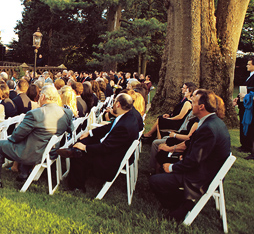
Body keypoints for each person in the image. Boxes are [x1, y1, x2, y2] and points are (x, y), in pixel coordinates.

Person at [149, 89, 231, 221]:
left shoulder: (208, 128)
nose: (191, 105)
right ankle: (184, 202)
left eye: (193, 103)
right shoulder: (213, 122)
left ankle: (181, 205)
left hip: (201, 176)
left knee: (155, 181)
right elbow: (197, 149)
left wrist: (171, 167)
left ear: (201, 106)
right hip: (205, 168)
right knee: (163, 163)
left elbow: (194, 161)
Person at [0, 85, 73, 188]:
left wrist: (10, 140)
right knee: (31, 140)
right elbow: (71, 129)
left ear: (42, 97)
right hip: (50, 151)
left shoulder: (36, 114)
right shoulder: (67, 113)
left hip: (33, 154)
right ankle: (24, 173)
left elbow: (17, 135)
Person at [58, 93, 141, 192]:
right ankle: (74, 152)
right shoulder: (128, 115)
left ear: (118, 104)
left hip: (109, 160)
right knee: (82, 140)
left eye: (114, 102)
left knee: (79, 154)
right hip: (110, 147)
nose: (113, 104)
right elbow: (111, 127)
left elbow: (105, 148)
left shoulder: (125, 126)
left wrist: (85, 148)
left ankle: (77, 186)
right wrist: (90, 132)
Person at [233, 58, 254, 156]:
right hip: (244, 105)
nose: (247, 66)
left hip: (250, 107)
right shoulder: (249, 76)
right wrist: (238, 98)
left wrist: (246, 96)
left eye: (249, 64)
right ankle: (244, 144)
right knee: (243, 124)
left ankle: (248, 146)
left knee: (249, 125)